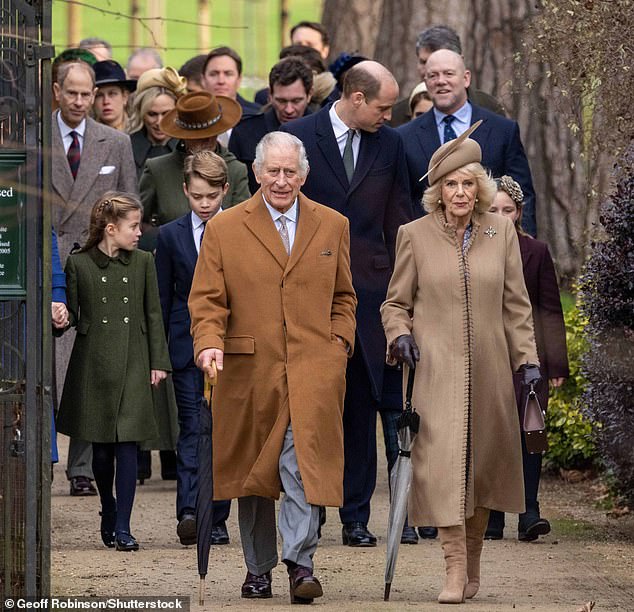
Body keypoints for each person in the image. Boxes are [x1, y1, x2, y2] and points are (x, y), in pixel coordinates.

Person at [188, 131, 356, 602]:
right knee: (254, 476)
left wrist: (338, 345)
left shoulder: (332, 225)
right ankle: (258, 568)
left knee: (301, 466)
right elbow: (206, 300)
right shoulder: (225, 228)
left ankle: (301, 564)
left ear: (304, 174)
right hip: (249, 372)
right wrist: (208, 344)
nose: (281, 181)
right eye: (273, 171)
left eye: (290, 172)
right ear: (256, 173)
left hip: (312, 371)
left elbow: (345, 295)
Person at [380, 125, 541, 603]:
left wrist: (528, 360)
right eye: (450, 184)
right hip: (436, 372)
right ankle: (452, 568)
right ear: (438, 190)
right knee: (443, 467)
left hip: (491, 372)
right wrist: (400, 334)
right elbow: (394, 303)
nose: (460, 193)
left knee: (484, 469)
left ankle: (473, 562)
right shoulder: (414, 235)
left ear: (481, 188)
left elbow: (517, 305)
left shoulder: (501, 231)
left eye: (468, 183)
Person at [282, 60, 414, 547]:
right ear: (356, 97)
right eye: (383, 106)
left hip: (372, 295)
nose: (389, 114)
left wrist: (408, 288)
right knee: (316, 411)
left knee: (361, 406)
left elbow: (401, 217)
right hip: (312, 293)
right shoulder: (298, 135)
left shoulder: (390, 144)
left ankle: (356, 516)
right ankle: (311, 510)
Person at [56, 192, 171, 551]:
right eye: (133, 226)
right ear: (111, 228)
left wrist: (158, 362)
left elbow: (153, 314)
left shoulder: (142, 263)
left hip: (134, 360)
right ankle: (108, 506)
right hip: (94, 365)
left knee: (128, 447)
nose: (140, 232)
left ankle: (124, 527)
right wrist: (60, 318)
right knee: (101, 453)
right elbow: (73, 314)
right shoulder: (79, 264)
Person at [51, 60, 138, 497]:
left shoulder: (116, 142)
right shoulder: (32, 139)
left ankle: (80, 469)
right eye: (74, 93)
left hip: (95, 265)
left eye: (88, 94)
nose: (83, 102)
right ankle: (39, 457)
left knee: (86, 365)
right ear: (56, 92)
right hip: (44, 266)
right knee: (43, 365)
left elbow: (129, 207)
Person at [155, 151, 232, 546]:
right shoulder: (170, 236)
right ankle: (189, 512)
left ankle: (216, 518)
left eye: (212, 197)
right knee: (192, 430)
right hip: (186, 351)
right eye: (197, 196)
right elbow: (163, 299)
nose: (204, 205)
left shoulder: (238, 231)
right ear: (185, 190)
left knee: (222, 433)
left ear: (225, 190)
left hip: (230, 350)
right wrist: (161, 355)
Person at [486, 175, 569, 542]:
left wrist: (555, 364)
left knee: (529, 430)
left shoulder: (535, 251)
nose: (501, 216)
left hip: (527, 358)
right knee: (489, 433)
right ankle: (491, 515)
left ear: (519, 213)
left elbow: (550, 308)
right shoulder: (473, 249)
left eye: (508, 209)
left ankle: (529, 510)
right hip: (488, 353)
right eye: (493, 209)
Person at [398, 49, 537, 236]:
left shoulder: (503, 130)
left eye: (448, 73)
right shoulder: (404, 137)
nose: (440, 81)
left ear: (466, 78)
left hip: (491, 242)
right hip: (429, 248)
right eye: (433, 75)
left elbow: (522, 195)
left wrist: (523, 246)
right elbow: (400, 202)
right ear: (425, 82)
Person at [138, 90, 250, 251]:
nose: (202, 143)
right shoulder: (158, 169)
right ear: (182, 135)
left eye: (208, 136)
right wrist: (160, 244)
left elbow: (245, 224)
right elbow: (138, 221)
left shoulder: (235, 170)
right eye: (194, 137)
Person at [388, 24, 506, 128]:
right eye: (424, 62)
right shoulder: (395, 116)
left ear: (461, 61)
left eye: (444, 67)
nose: (430, 70)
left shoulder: (489, 108)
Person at [230, 57, 313, 193]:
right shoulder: (244, 131)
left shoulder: (324, 132)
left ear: (310, 95)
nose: (289, 109)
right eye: (281, 101)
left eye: (296, 101)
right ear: (270, 96)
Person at [128, 66, 187, 178]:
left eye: (166, 114)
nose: (159, 122)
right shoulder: (126, 147)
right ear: (141, 112)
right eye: (152, 114)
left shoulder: (190, 148)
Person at [202, 46, 261, 147]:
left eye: (228, 74)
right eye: (213, 74)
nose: (221, 81)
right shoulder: (192, 117)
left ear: (239, 79)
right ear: (203, 79)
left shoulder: (258, 116)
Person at [92, 60, 137, 132]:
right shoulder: (86, 136)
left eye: (112, 94)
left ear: (125, 97)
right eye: (99, 95)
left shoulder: (139, 132)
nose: (106, 101)